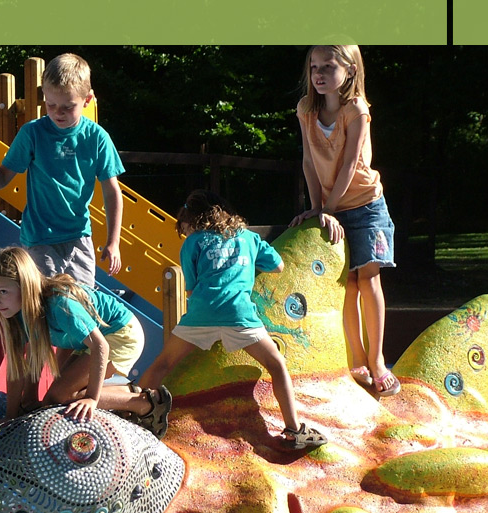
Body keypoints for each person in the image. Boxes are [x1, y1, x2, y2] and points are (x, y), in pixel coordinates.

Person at [138, 190, 328, 448]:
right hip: (239, 314)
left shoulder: (192, 243)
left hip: (201, 314)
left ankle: (133, 414)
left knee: (163, 364)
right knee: (276, 364)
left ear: (193, 221)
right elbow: (278, 266)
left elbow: (192, 289)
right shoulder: (249, 238)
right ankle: (294, 429)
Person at [288, 45, 399, 397]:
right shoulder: (306, 109)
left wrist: (328, 210)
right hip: (331, 206)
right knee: (346, 284)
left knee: (368, 279)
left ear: (349, 70)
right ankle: (357, 361)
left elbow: (350, 165)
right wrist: (317, 207)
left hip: (365, 206)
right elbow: (309, 161)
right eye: (314, 67)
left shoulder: (356, 110)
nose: (319, 73)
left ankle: (378, 361)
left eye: (328, 66)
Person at [0, 53, 124, 286]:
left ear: (87, 100)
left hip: (79, 236)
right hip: (40, 238)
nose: (58, 112)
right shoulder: (33, 133)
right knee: (46, 305)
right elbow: (4, 174)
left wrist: (113, 241)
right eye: (51, 105)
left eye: (68, 107)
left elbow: (111, 192)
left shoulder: (97, 138)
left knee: (82, 302)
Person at [0, 247, 170, 438]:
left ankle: (144, 404)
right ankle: (123, 392)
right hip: (82, 342)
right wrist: (11, 416)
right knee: (52, 401)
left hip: (119, 333)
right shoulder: (14, 313)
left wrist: (92, 399)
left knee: (59, 396)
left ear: (26, 286)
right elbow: (19, 366)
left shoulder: (59, 304)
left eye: (3, 291)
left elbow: (100, 346)